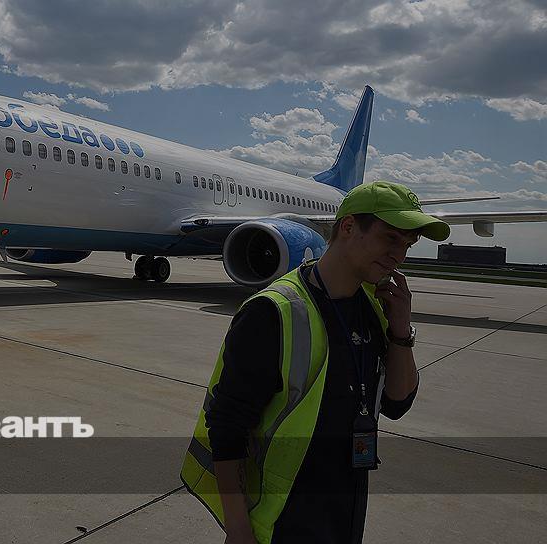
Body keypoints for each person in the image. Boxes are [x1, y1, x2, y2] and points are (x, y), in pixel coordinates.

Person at [181, 181, 451, 543]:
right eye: (390, 238)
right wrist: (238, 528)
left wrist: (401, 332)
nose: (398, 255)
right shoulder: (273, 312)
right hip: (279, 521)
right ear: (349, 226)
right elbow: (227, 427)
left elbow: (397, 403)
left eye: (407, 245)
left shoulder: (375, 308)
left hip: (344, 510)